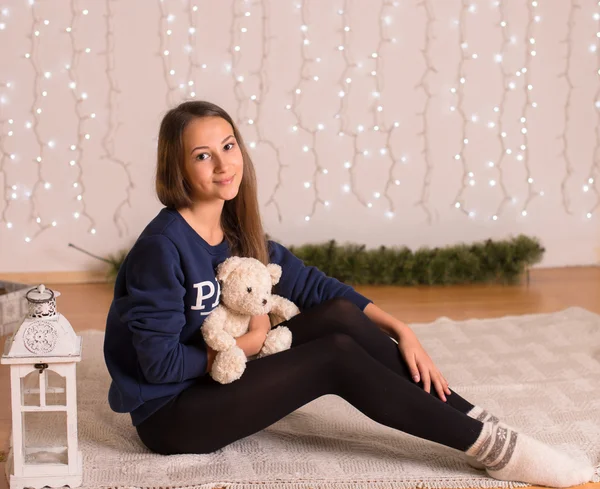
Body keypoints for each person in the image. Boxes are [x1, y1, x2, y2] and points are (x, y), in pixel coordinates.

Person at [103, 100, 594, 488]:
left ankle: (474, 419)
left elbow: (315, 287)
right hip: (174, 415)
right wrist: (249, 344)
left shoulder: (238, 234)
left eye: (228, 146)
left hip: (218, 378)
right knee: (332, 357)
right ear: (177, 167)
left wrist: (401, 330)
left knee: (337, 314)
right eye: (202, 155)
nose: (222, 165)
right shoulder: (161, 250)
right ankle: (492, 450)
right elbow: (158, 367)